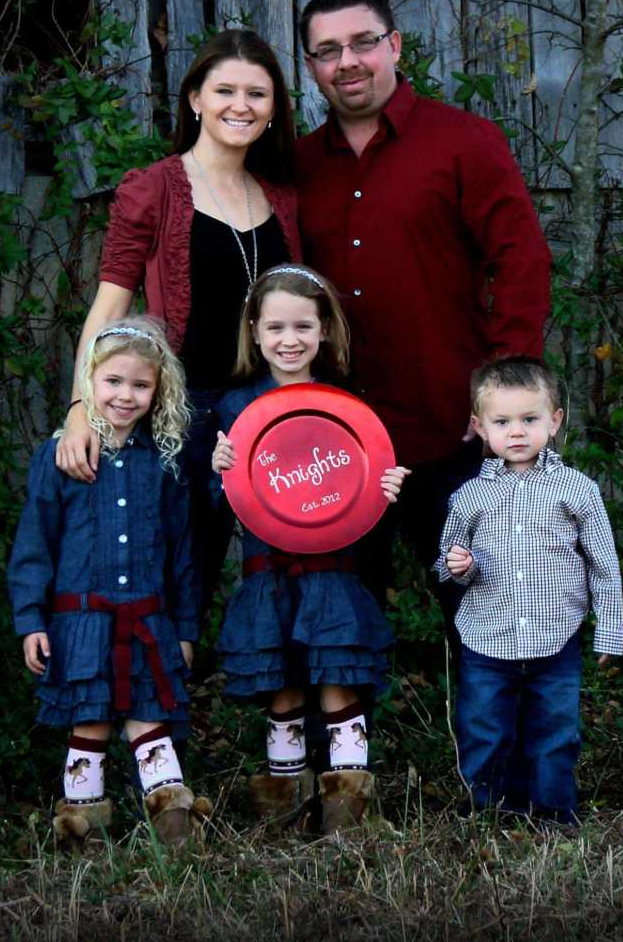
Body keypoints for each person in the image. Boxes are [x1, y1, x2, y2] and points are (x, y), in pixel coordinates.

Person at [295, 0, 553, 639]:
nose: (347, 61)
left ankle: (499, 743)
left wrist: (503, 394)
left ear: (395, 45)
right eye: (327, 50)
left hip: (448, 431)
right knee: (342, 621)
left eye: (362, 43)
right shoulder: (297, 166)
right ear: (311, 66)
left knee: (484, 614)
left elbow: (521, 260)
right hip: (338, 441)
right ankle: (350, 742)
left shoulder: (464, 142)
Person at [55, 30, 302, 621]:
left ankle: (280, 697)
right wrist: (79, 408)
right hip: (183, 407)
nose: (240, 105)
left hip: (265, 406)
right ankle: (155, 701)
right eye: (224, 90)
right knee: (171, 562)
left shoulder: (281, 195)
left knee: (283, 559)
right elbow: (110, 307)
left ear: (274, 109)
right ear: (195, 98)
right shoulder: (155, 188)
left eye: (257, 94)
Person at [211, 265, 410, 832]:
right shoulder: (234, 408)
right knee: (282, 691)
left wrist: (384, 491)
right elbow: (222, 504)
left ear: (324, 331)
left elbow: (359, 498)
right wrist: (217, 472)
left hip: (332, 574)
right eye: (275, 327)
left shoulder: (345, 408)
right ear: (254, 331)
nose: (289, 340)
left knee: (336, 681)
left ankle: (349, 819)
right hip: (267, 572)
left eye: (303, 326)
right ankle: (284, 817)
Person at [7, 317, 204, 847]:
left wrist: (185, 629)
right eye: (113, 382)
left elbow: (183, 552)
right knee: (89, 725)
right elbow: (33, 546)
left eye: (140, 385)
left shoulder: (165, 463)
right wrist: (30, 620)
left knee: (150, 721)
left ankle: (176, 835)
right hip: (81, 624)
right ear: (88, 382)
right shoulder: (57, 457)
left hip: (148, 619)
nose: (125, 395)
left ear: (158, 391)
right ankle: (82, 838)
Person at [434, 357, 623, 825]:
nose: (516, 432)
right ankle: (487, 811)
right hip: (486, 638)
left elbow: (603, 565)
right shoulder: (469, 498)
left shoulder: (577, 490)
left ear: (555, 421)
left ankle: (554, 813)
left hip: (555, 638)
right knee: (484, 728)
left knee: (555, 730)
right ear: (480, 427)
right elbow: (445, 565)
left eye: (530, 419)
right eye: (502, 422)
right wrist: (460, 567)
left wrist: (610, 633)